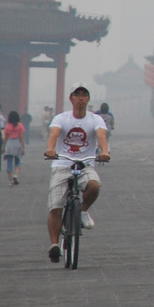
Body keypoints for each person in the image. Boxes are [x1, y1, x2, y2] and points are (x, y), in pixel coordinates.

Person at [43, 85, 111, 263]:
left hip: (85, 164)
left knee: (94, 185)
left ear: (88, 99)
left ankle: (83, 211)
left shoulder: (95, 119)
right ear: (71, 98)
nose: (81, 98)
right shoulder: (61, 118)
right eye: (77, 95)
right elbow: (54, 133)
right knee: (56, 206)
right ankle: (55, 244)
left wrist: (105, 151)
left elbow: (101, 136)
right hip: (62, 164)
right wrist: (50, 149)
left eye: (84, 95)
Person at [4, 110, 26, 185]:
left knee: (9, 162)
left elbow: (5, 138)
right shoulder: (20, 125)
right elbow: (22, 137)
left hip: (10, 144)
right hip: (17, 143)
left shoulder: (7, 126)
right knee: (17, 161)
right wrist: (23, 147)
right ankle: (15, 176)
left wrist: (3, 147)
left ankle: (10, 181)